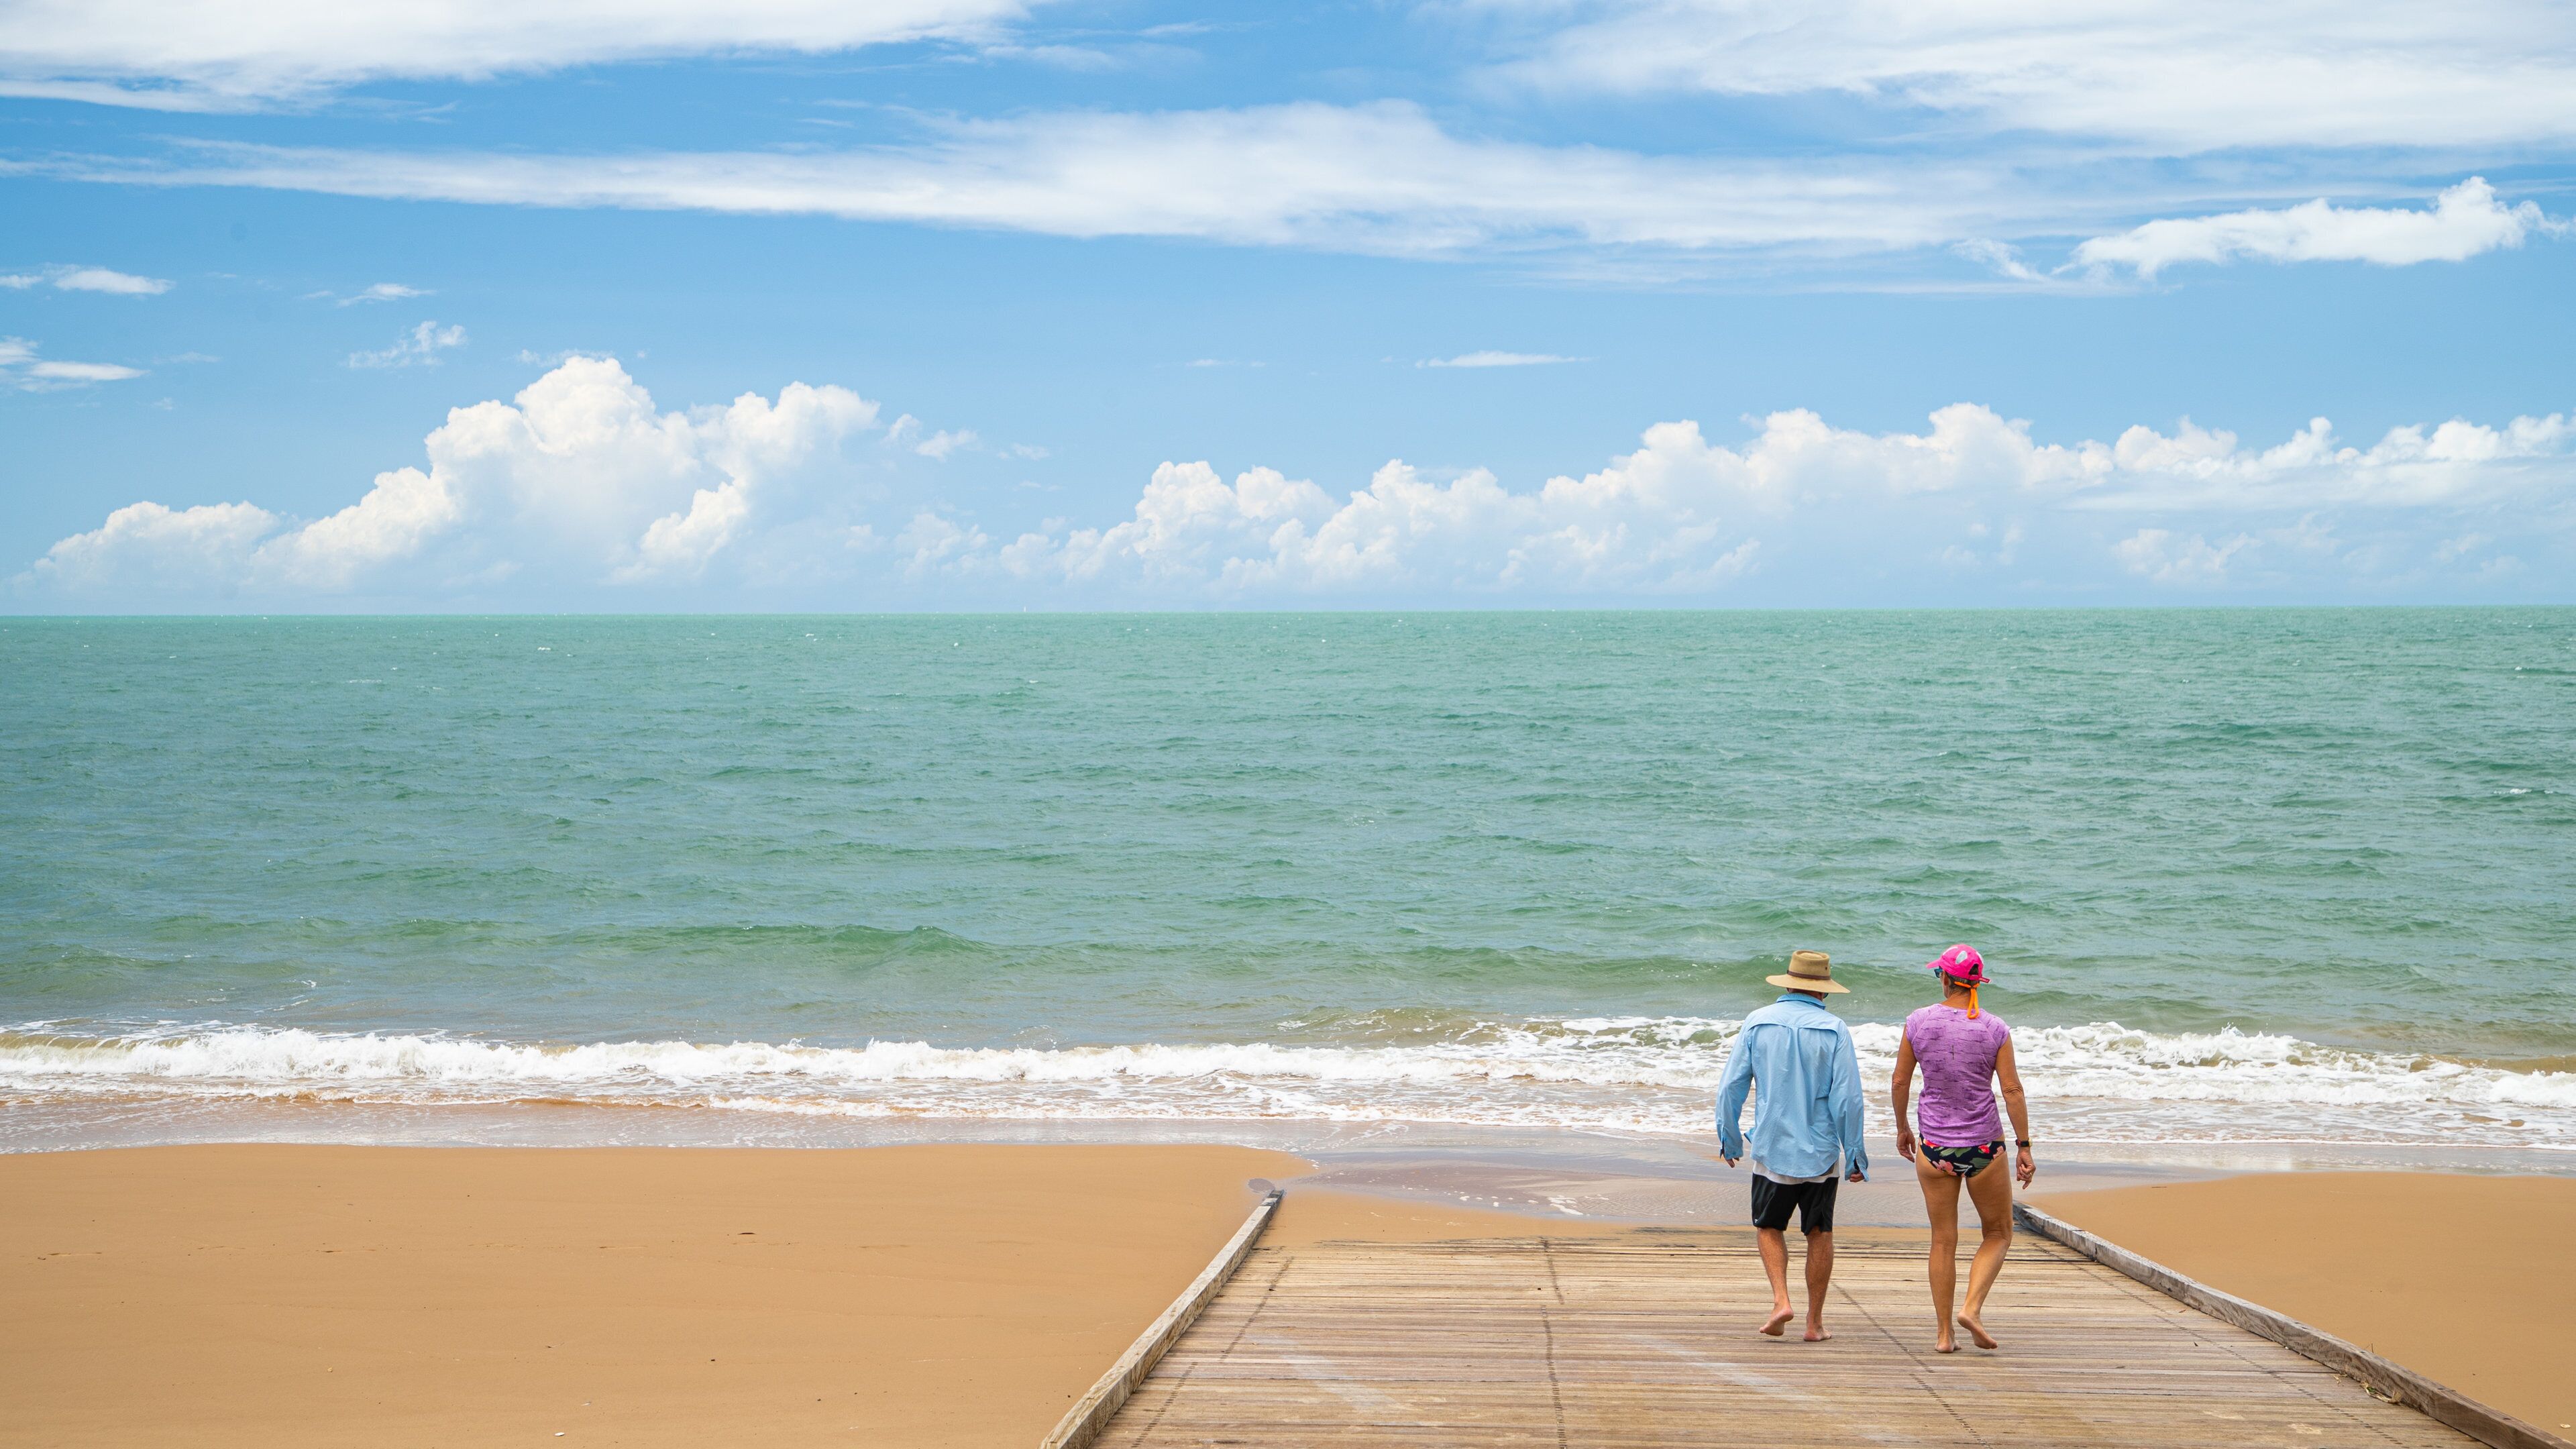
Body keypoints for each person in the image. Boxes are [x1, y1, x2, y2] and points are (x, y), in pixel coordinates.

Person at [1714, 949, 1869, 1342]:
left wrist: (1730, 1138)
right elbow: (1848, 1099)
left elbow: (1732, 1085)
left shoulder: (1758, 1021)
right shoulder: (1835, 1029)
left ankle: (1781, 1300)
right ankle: (1814, 1324)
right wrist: (1855, 1155)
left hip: (1772, 1146)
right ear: (1824, 991)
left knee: (1768, 1226)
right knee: (1819, 1231)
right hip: (1820, 1151)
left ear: (1787, 983)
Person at [1890, 944, 2035, 1354]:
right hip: (1984, 1147)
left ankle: (1943, 1335)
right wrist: (2024, 1146)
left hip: (1934, 1146)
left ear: (1945, 978)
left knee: (1942, 1240)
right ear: (1975, 983)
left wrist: (1903, 1128)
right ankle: (1971, 1309)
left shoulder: (1918, 1022)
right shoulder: (1994, 1028)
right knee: (1998, 1233)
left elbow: (1900, 1082)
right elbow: (2011, 1090)